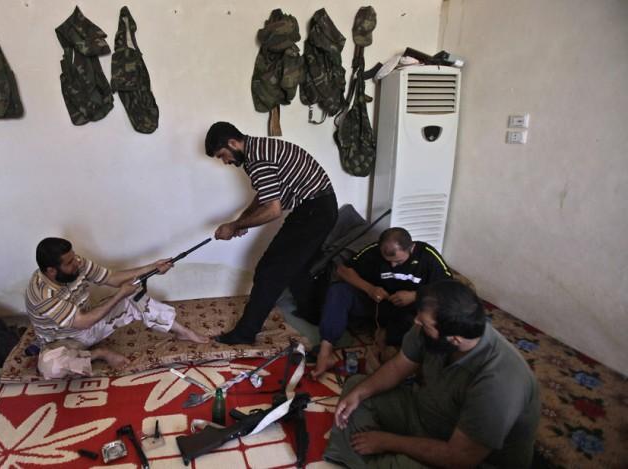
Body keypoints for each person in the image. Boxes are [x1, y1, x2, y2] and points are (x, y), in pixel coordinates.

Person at [325, 280, 540, 469]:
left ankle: (370, 459)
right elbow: (399, 367)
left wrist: (388, 441)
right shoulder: (432, 332)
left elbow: (460, 459)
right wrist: (360, 394)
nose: (417, 322)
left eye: (424, 323)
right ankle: (377, 461)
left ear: (454, 339)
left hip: (466, 455)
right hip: (426, 416)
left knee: (404, 465)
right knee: (356, 390)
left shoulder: (498, 382)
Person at [204, 121, 338, 344]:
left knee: (269, 271)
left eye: (222, 155)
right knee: (299, 266)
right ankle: (313, 314)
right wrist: (242, 221)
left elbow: (273, 210)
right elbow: (265, 195)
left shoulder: (256, 159)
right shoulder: (259, 150)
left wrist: (234, 226)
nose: (225, 161)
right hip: (319, 207)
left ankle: (245, 333)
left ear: (233, 143)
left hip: (315, 210)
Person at [25, 237, 208, 379]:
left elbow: (112, 278)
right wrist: (119, 294)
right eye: (69, 263)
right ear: (51, 271)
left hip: (91, 322)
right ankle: (99, 353)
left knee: (133, 298)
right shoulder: (41, 294)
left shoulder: (77, 263)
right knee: (50, 367)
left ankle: (182, 331)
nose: (77, 263)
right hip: (64, 341)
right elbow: (81, 322)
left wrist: (153, 267)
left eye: (74, 258)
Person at [312, 227, 452, 378]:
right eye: (388, 262)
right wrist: (370, 289)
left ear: (411, 248)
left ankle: (389, 344)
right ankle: (325, 352)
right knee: (338, 291)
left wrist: (415, 296)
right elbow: (343, 270)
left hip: (409, 310)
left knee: (411, 330)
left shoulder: (427, 255)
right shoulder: (374, 251)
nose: (393, 266)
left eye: (398, 261)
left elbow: (449, 288)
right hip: (378, 303)